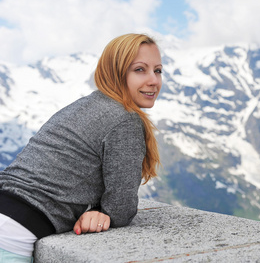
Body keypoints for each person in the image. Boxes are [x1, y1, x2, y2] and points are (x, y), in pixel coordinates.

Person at [0, 33, 163, 262]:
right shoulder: (124, 120)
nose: (154, 80)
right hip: (11, 233)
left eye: (158, 70)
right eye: (139, 69)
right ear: (115, 72)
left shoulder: (85, 105)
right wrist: (99, 213)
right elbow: (121, 208)